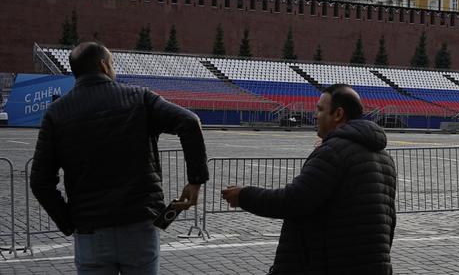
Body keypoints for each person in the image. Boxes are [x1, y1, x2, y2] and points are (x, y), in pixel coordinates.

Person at [30, 41, 208, 274]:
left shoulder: (56, 113)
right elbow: (189, 121)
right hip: (139, 224)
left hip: (90, 230)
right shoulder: (139, 98)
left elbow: (40, 181)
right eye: (112, 63)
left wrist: (68, 222)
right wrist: (195, 180)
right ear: (104, 65)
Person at [221, 84, 396, 274]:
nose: (315, 115)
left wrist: (244, 196)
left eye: (320, 109)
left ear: (338, 114)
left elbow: (294, 200)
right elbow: (389, 221)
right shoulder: (384, 157)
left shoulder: (334, 152)